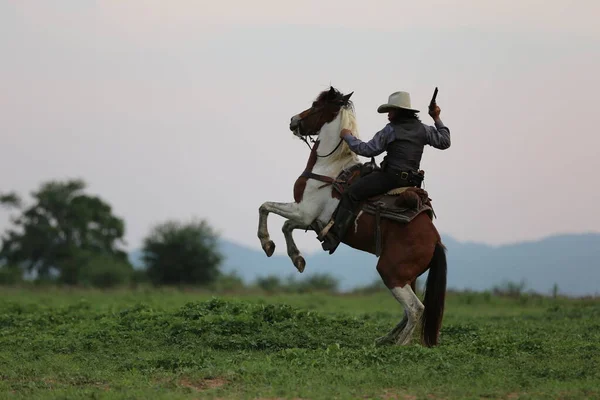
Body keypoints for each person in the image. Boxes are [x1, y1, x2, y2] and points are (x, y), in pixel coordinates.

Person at [321, 90, 451, 254]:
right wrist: (436, 117)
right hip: (412, 181)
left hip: (390, 178)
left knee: (352, 193)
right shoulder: (424, 129)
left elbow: (368, 150)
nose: (388, 115)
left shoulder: (391, 130)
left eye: (391, 110)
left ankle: (334, 236)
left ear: (399, 111)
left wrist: (348, 136)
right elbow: (445, 141)